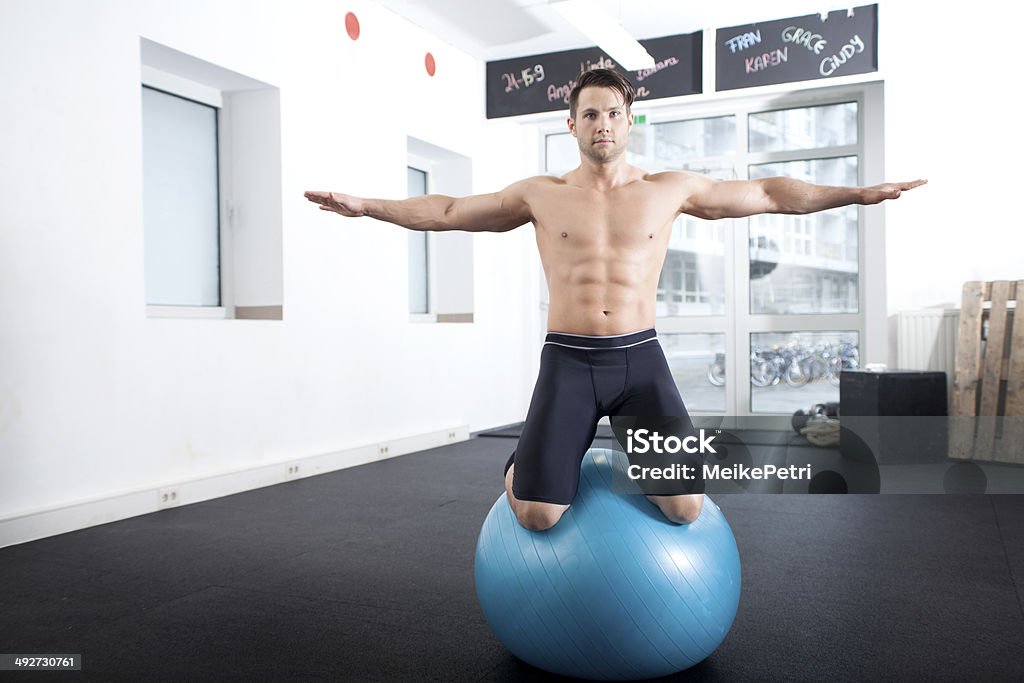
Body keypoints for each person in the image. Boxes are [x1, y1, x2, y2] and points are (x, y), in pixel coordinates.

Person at [305, 68, 925, 532]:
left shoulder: (669, 189)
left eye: (613, 113)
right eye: (591, 114)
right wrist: (367, 206)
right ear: (571, 125)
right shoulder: (538, 193)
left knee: (684, 510)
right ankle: (527, 460)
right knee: (539, 515)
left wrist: (857, 194)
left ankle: (565, 450)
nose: (603, 124)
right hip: (569, 363)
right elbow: (445, 210)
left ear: (630, 122)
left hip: (641, 363)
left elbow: (767, 192)